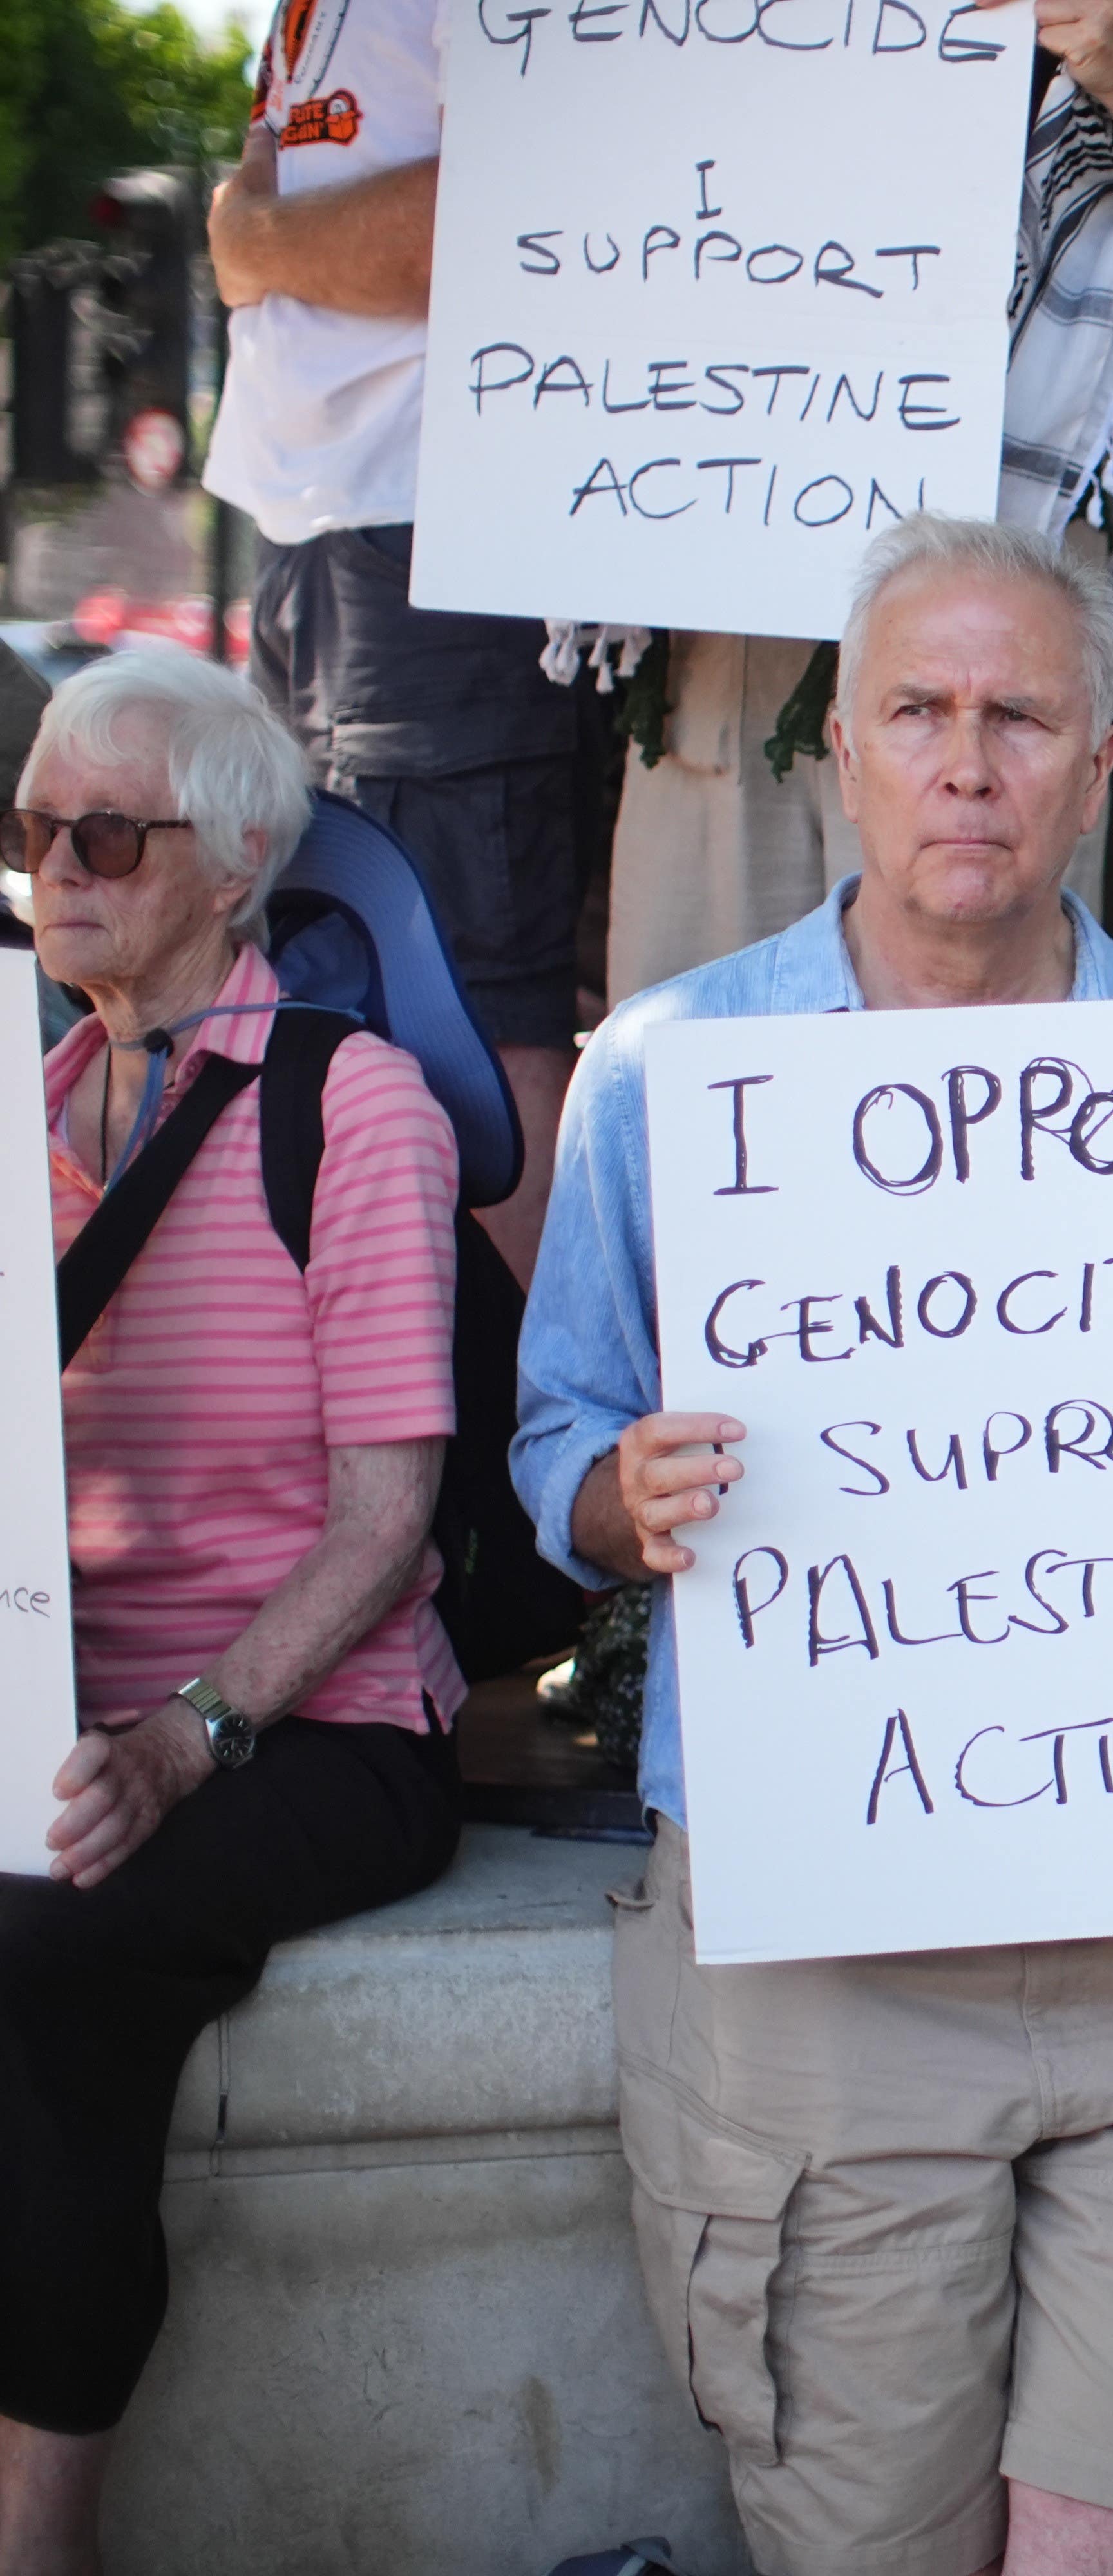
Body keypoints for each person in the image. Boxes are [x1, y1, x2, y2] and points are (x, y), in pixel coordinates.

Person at [509, 516, 1113, 2576]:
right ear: (843, 749)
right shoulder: (676, 1068)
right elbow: (552, 1453)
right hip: (824, 1942)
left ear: (1097, 757)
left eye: (1018, 715)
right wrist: (617, 1503)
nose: (964, 760)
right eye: (917, 710)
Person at [1, 656, 466, 2564]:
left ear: (237, 853)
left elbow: (387, 1514)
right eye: (28, 833)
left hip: (314, 1719)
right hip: (52, 1692)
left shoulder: (353, 1111)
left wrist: (186, 1739)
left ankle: (41, 2534)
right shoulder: (18, 1106)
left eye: (103, 832)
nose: (55, 870)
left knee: (43, 1952)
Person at [590, 0, 1113, 1011]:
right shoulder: (729, 41)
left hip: (1002, 652)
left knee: (989, 1050)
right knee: (708, 1056)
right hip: (741, 641)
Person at [207, 0, 604, 1283]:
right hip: (330, 532)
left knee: (472, 1012)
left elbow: (489, 217)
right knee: (341, 986)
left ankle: (528, 1438)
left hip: (437, 536)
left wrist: (254, 235)